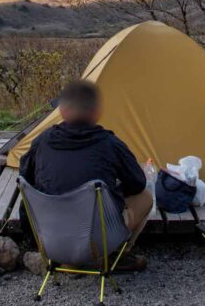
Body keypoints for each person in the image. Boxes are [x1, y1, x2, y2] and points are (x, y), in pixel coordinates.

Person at [19, 80, 153, 270]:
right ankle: (112, 256)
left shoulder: (42, 141)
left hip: (50, 238)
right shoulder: (109, 144)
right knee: (145, 197)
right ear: (97, 113)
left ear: (62, 111)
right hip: (98, 239)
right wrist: (114, 190)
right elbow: (138, 183)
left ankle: (67, 261)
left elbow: (26, 179)